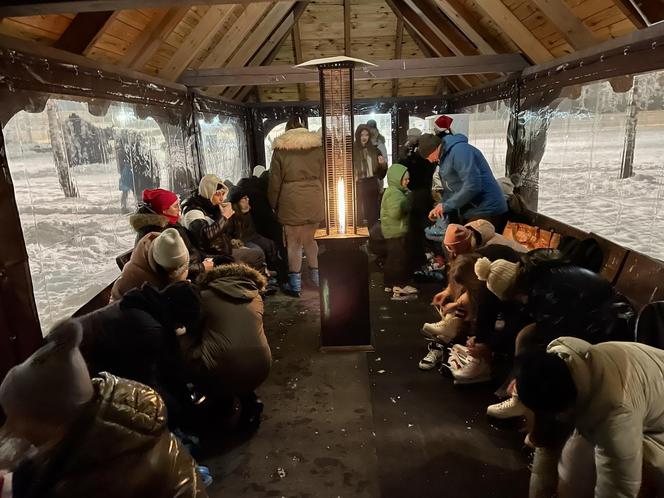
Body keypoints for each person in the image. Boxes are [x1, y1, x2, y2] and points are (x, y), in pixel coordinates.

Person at [0, 320, 207, 498]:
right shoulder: (121, 425)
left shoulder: (88, 480)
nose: (13, 428)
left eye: (17, 418)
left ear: (47, 420)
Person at [516, 338, 664, 498]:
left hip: (656, 425)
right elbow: (547, 441)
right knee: (574, 465)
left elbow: (617, 489)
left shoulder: (616, 413)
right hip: (645, 401)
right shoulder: (568, 362)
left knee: (640, 469)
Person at [78, 282, 203, 430]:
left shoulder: (145, 302)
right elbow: (147, 387)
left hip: (83, 352)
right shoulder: (149, 329)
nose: (180, 328)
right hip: (81, 370)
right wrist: (181, 413)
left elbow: (165, 366)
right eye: (181, 323)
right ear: (177, 314)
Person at [179, 263, 271, 430]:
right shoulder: (255, 296)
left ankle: (218, 405)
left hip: (223, 368)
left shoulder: (204, 297)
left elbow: (193, 327)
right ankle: (246, 399)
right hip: (262, 365)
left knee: (186, 340)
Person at [268, 115, 325, 297]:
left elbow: (274, 181)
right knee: (310, 240)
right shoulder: (317, 147)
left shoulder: (280, 150)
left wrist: (273, 204)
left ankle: (296, 285)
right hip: (314, 197)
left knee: (294, 244)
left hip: (290, 200)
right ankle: (316, 279)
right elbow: (324, 175)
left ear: (287, 131)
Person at [427, 115, 508, 241]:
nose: (429, 161)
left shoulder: (460, 151)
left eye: (428, 156)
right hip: (473, 209)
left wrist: (446, 206)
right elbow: (451, 189)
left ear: (435, 148)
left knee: (477, 251)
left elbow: (473, 185)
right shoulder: (445, 158)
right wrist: (441, 205)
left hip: (486, 209)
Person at [182, 174, 265, 271]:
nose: (221, 198)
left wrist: (231, 216)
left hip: (223, 248)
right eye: (218, 194)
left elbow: (233, 233)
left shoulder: (212, 207)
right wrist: (224, 217)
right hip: (211, 255)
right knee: (258, 255)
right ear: (208, 193)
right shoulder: (193, 212)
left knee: (258, 252)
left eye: (223, 194)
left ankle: (260, 281)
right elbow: (204, 237)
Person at [130, 188, 210, 281]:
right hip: (184, 279)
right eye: (175, 206)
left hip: (193, 268)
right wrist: (201, 267)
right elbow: (169, 271)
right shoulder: (160, 234)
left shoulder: (170, 223)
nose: (179, 209)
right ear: (164, 210)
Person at [111, 228, 189, 302]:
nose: (177, 271)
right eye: (173, 270)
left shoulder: (168, 246)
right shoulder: (130, 280)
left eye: (181, 267)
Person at [381, 164, 418, 300]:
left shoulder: (393, 191)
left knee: (392, 258)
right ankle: (399, 284)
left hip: (392, 231)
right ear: (397, 179)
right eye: (405, 179)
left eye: (408, 179)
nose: (408, 181)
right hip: (396, 231)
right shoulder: (395, 193)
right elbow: (396, 213)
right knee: (399, 259)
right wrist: (408, 200)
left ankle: (389, 283)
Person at [354, 124, 387, 228]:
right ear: (357, 136)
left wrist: (383, 164)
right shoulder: (352, 151)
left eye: (366, 135)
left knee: (372, 214)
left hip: (371, 184)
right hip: (357, 185)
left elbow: (381, 174)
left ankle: (372, 240)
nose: (364, 137)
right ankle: (359, 241)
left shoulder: (375, 150)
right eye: (362, 135)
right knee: (357, 214)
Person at [443, 220, 527, 259]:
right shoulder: (479, 236)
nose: (454, 255)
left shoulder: (490, 251)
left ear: (465, 246)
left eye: (456, 252)